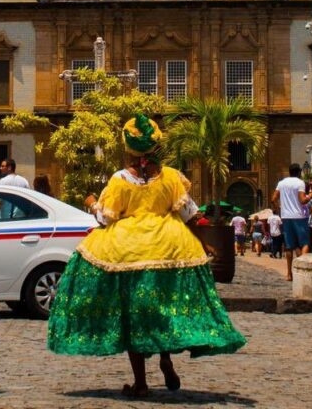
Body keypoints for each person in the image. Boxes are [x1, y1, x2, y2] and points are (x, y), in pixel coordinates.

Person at [47, 113, 245, 398]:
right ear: (155, 146)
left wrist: (91, 203)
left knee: (134, 315)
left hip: (128, 250)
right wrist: (204, 243)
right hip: (170, 248)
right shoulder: (171, 177)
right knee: (163, 308)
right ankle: (166, 358)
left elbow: (105, 219)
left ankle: (140, 382)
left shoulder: (119, 180)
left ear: (128, 147)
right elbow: (190, 213)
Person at [272, 163, 312, 281]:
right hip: (300, 217)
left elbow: (273, 198)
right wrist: (311, 195)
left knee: (289, 246)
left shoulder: (281, 183)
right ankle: (303, 271)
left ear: (289, 172)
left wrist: (279, 208)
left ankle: (289, 274)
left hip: (286, 217)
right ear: (299, 172)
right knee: (305, 243)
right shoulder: (300, 183)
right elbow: (302, 200)